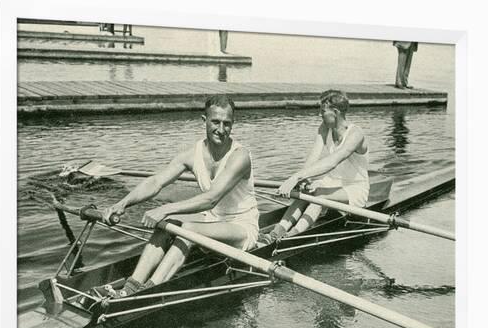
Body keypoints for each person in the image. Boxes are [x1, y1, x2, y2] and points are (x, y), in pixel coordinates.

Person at [103, 95, 259, 296]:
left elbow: (211, 198)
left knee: (187, 229)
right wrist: (122, 204)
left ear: (233, 124)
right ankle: (130, 288)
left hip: (241, 227)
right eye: (215, 122)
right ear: (204, 120)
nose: (221, 129)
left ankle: (150, 291)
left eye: (227, 124)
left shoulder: (240, 156)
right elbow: (156, 181)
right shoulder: (192, 154)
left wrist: (164, 208)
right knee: (167, 223)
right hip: (212, 220)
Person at [259, 90, 369, 244]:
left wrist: (295, 177)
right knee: (305, 190)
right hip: (331, 182)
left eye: (323, 111)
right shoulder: (325, 127)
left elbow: (333, 161)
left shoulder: (356, 134)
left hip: (354, 188)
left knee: (318, 196)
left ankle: (293, 236)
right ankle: (277, 232)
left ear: (335, 112)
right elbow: (313, 156)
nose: (320, 115)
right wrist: (303, 178)